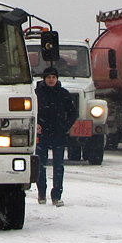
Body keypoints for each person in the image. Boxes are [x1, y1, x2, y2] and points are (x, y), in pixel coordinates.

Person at [36, 67, 75, 206]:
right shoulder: (37, 94)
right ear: (44, 79)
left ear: (57, 79)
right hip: (42, 134)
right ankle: (41, 193)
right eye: (48, 77)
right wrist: (36, 124)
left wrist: (65, 127)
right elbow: (31, 110)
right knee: (40, 164)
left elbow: (73, 113)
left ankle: (57, 195)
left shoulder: (63, 94)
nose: (51, 80)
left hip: (58, 134)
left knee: (58, 165)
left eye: (53, 77)